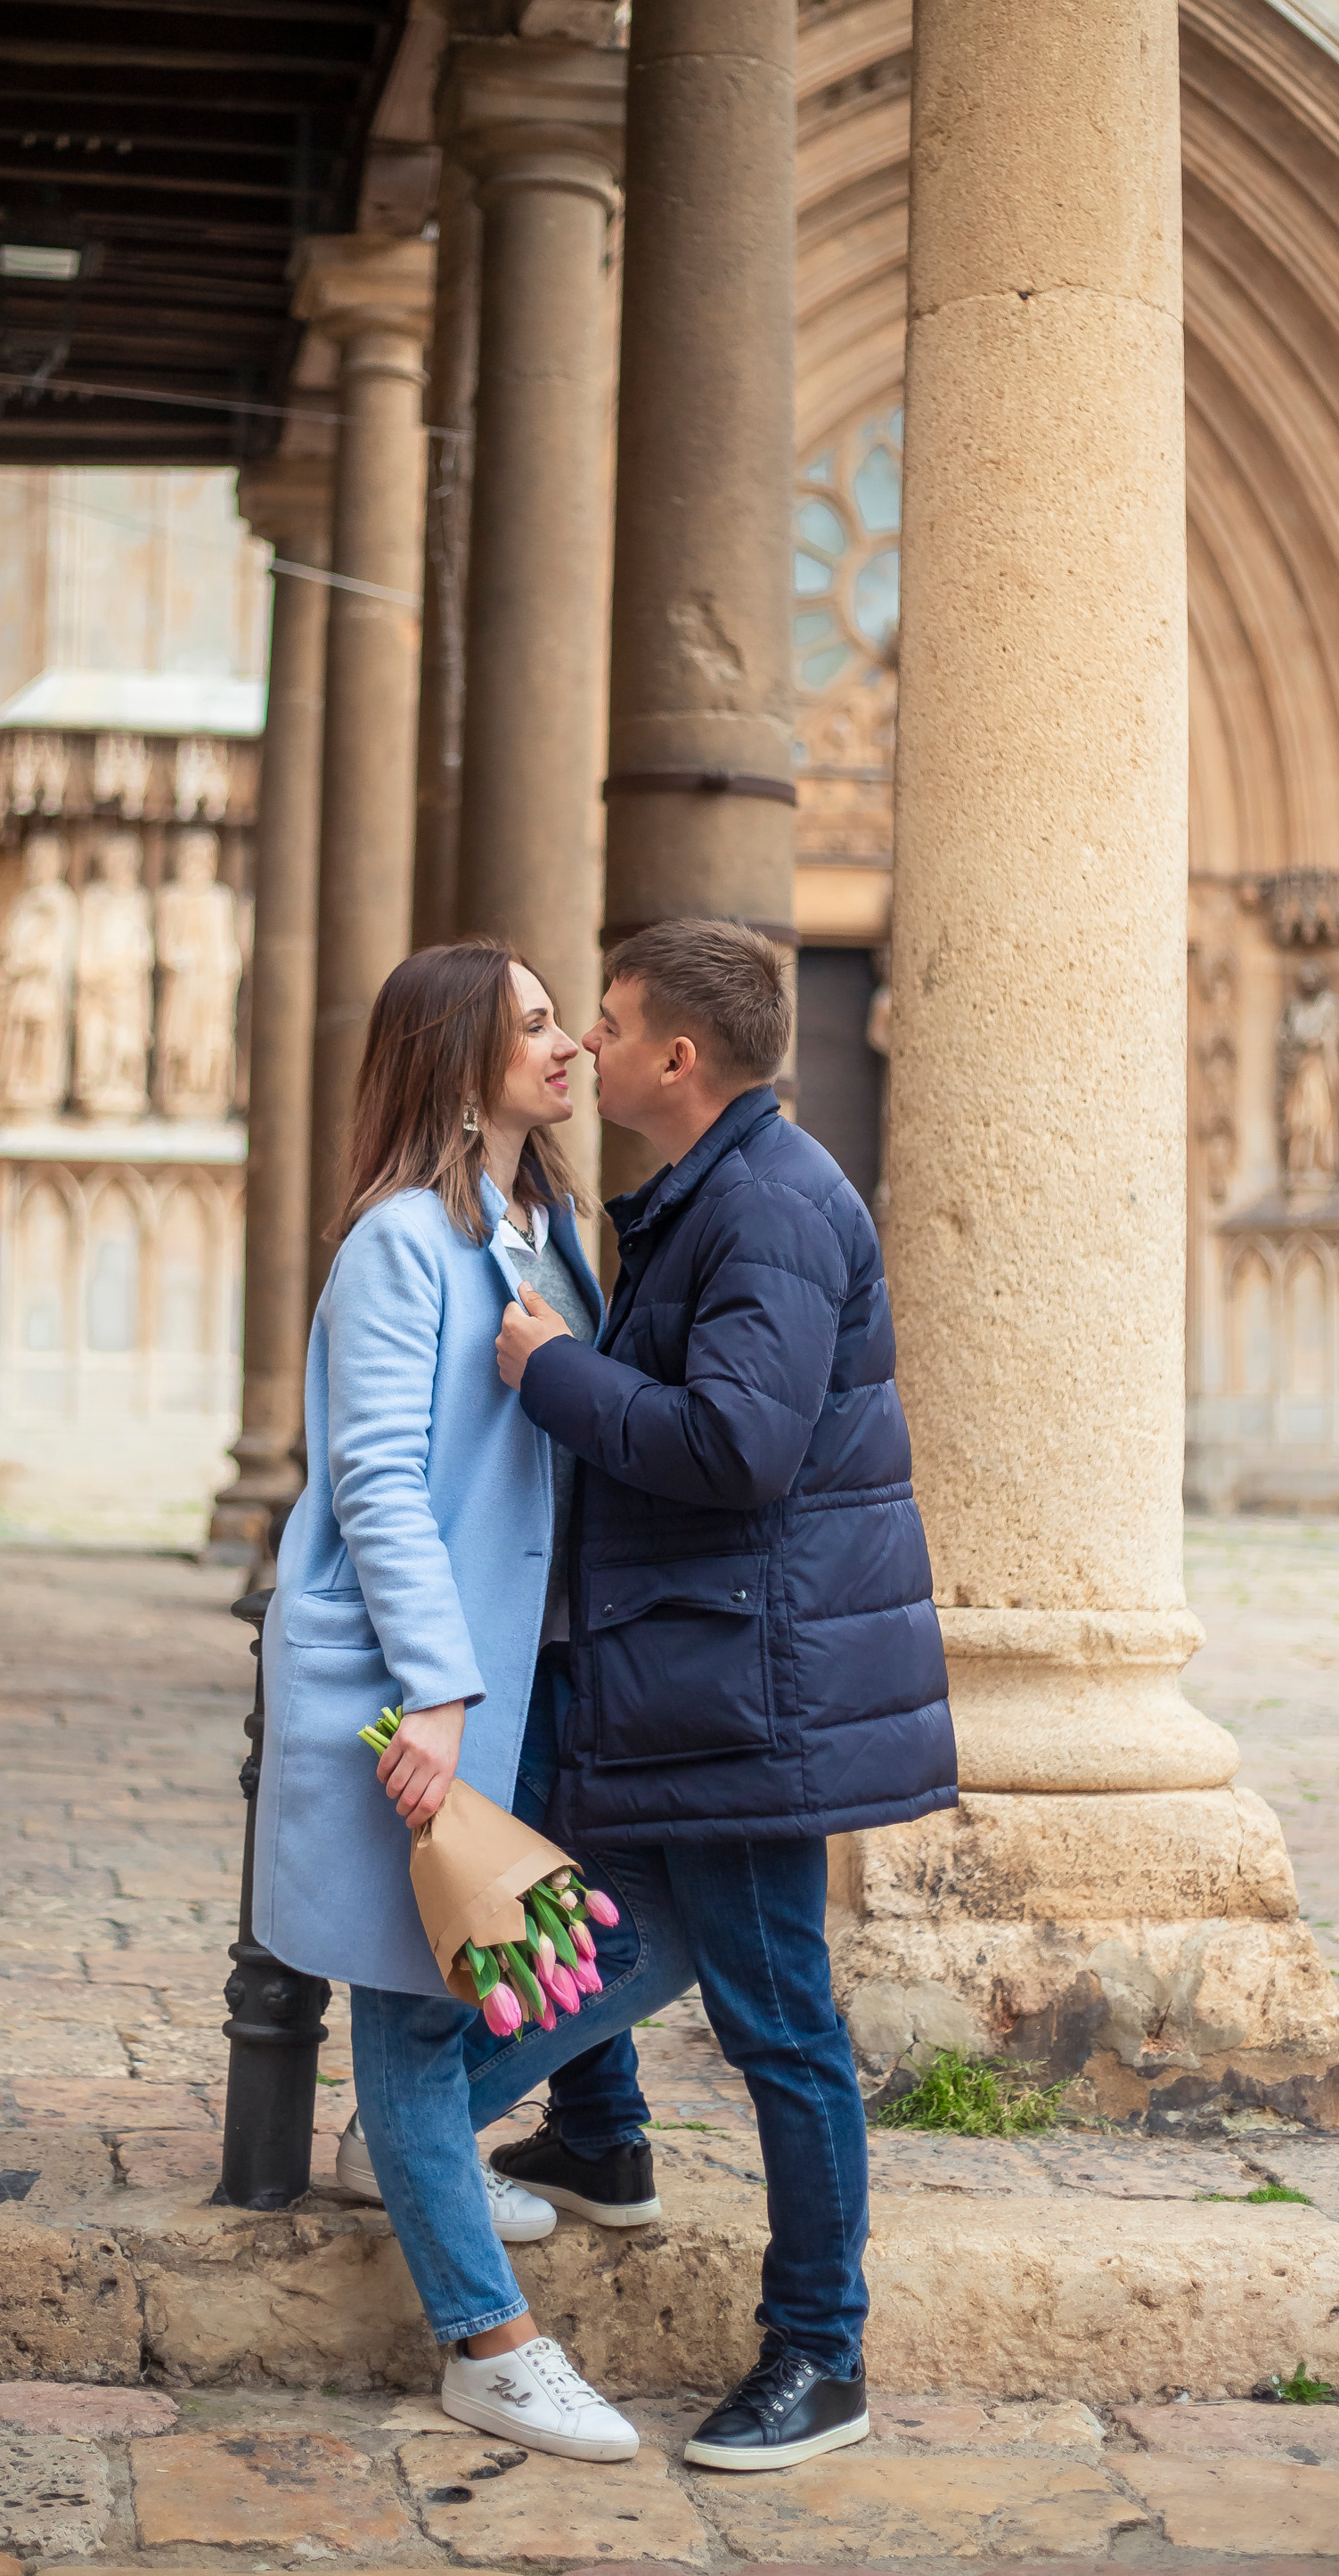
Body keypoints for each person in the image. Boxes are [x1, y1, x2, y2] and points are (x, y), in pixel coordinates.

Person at [490, 918, 956, 2470]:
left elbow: (738, 1449)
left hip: (762, 1686)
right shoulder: (719, 1188)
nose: (591, 1049)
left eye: (610, 1024)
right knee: (581, 1874)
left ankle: (822, 2355)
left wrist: (551, 1369)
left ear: (677, 1059)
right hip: (705, 1659)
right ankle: (604, 2136)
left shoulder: (767, 1208)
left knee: (781, 2018)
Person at [250, 941, 647, 2462]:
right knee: (420, 2014)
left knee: (556, 1955)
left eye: (561, 1023)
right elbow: (377, 1483)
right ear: (453, 1060)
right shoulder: (397, 1246)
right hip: (421, 1687)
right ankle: (489, 2343)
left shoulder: (544, 1226)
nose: (564, 1048)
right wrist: (436, 1691)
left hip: (527, 1674)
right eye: (533, 1026)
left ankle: (416, 2154)